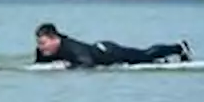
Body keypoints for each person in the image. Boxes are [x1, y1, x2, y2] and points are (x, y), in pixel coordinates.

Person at [33, 23, 191, 69]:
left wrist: (69, 67)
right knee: (146, 58)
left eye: (43, 43)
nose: (40, 47)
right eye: (39, 43)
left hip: (110, 53)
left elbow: (88, 63)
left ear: (54, 39)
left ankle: (178, 48)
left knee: (145, 55)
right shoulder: (44, 51)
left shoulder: (71, 48)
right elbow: (39, 65)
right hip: (100, 50)